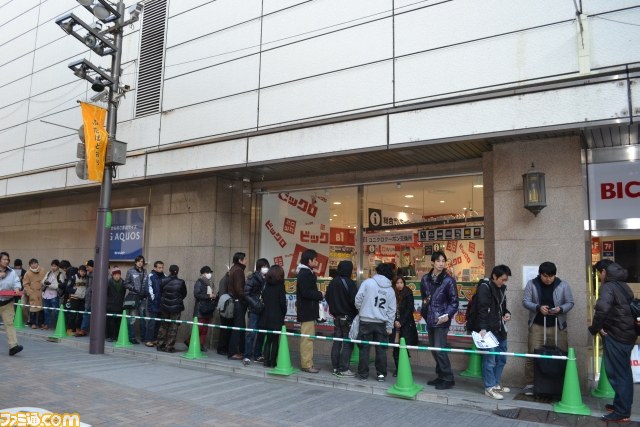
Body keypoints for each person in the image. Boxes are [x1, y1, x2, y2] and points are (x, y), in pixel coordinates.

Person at [589, 260, 636, 423]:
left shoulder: (608, 286)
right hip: (627, 334)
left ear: (604, 271)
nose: (599, 277)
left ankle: (622, 411)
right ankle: (620, 405)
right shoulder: (623, 285)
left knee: (618, 374)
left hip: (617, 336)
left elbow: (602, 310)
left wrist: (595, 328)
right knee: (623, 372)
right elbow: (618, 310)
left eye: (599, 274)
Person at [522, 261, 574, 395]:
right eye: (545, 276)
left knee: (561, 355)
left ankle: (561, 384)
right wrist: (538, 307)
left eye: (551, 276)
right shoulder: (532, 284)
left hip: (558, 325)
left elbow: (570, 302)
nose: (548, 279)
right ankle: (530, 384)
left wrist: (560, 309)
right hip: (537, 325)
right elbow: (525, 301)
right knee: (532, 354)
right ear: (540, 274)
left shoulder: (563, 285)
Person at [420, 251, 459, 389]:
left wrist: (447, 315)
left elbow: (454, 302)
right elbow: (424, 297)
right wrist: (425, 311)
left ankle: (448, 378)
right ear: (433, 262)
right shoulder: (425, 279)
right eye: (438, 261)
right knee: (434, 349)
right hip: (430, 318)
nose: (441, 264)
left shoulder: (449, 280)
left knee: (439, 349)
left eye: (443, 261)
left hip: (442, 320)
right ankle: (441, 376)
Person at [355, 262, 397, 382]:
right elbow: (392, 310)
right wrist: (389, 326)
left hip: (365, 321)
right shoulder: (390, 290)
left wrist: (362, 309)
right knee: (381, 349)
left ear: (378, 271)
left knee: (364, 348)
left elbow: (358, 299)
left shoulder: (368, 283)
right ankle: (381, 375)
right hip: (381, 323)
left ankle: (363, 374)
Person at [477, 264, 512, 400]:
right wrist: (483, 329)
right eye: (502, 279)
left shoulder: (502, 288)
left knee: (501, 358)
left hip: (500, 328)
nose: (504, 282)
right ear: (494, 276)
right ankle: (489, 387)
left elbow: (503, 307)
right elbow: (482, 309)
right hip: (488, 330)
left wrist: (507, 313)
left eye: (506, 280)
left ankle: (496, 384)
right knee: (490, 359)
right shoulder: (485, 287)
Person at [325, 260, 357, 377]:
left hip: (336, 317)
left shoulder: (333, 282)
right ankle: (343, 369)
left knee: (337, 342)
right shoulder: (350, 283)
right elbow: (355, 301)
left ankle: (335, 367)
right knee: (347, 343)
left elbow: (327, 297)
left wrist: (335, 309)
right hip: (347, 317)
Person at [296, 249, 324, 373]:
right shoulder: (305, 273)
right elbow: (306, 292)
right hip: (307, 310)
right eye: (315, 260)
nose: (316, 262)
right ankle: (307, 365)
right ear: (309, 260)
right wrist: (320, 294)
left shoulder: (306, 272)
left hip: (307, 310)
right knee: (307, 338)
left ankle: (309, 363)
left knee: (308, 337)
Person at [260, 265, 287, 368]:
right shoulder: (280, 286)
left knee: (268, 339)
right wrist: (283, 313)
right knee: (275, 340)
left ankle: (266, 361)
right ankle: (272, 362)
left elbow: (263, 298)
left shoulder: (266, 284)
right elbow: (283, 303)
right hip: (277, 316)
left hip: (266, 316)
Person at [243, 258, 270, 365]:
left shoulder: (268, 278)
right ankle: (247, 355)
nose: (266, 268)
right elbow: (246, 293)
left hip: (264, 309)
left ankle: (257, 355)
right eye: (264, 266)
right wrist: (255, 303)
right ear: (259, 267)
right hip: (254, 309)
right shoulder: (252, 278)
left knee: (261, 333)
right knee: (251, 333)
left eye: (267, 266)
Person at [392, 276, 419, 377]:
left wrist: (401, 322)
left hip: (406, 325)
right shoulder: (392, 293)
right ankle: (398, 368)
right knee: (395, 346)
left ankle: (404, 368)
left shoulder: (408, 293)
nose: (399, 285)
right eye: (397, 283)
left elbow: (409, 310)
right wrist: (395, 321)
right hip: (395, 324)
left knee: (403, 347)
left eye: (401, 283)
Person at [156, 265, 187, 353]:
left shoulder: (163, 280)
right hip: (176, 308)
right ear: (178, 271)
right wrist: (177, 299)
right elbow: (184, 294)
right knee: (174, 327)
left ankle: (160, 345)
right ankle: (169, 346)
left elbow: (160, 292)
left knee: (163, 326)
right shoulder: (181, 282)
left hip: (164, 307)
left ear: (169, 271)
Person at [187, 266, 216, 352]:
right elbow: (197, 294)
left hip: (208, 308)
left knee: (205, 329)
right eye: (208, 272)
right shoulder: (199, 282)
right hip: (201, 308)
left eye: (210, 272)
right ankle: (189, 342)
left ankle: (200, 345)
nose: (209, 274)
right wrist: (208, 296)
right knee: (199, 328)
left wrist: (213, 296)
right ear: (203, 273)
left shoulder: (210, 283)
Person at [0, 252, 24, 355]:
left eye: (7, 259)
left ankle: (13, 346)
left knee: (9, 323)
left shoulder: (12, 272)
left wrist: (17, 288)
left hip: (7, 302)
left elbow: (16, 282)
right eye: (4, 259)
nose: (6, 261)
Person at [227, 252, 248, 360]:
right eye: (245, 259)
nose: (246, 261)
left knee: (239, 327)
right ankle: (233, 352)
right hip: (238, 302)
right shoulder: (238, 271)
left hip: (235, 301)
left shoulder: (234, 269)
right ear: (240, 260)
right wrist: (245, 300)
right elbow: (239, 289)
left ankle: (239, 350)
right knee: (238, 328)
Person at [124, 255, 148, 344]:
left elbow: (146, 283)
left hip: (143, 298)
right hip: (134, 297)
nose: (140, 263)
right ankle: (132, 337)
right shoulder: (130, 271)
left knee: (143, 319)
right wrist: (133, 288)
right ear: (135, 262)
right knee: (132, 319)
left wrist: (146, 293)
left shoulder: (145, 271)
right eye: (139, 261)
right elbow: (126, 283)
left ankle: (144, 337)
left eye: (142, 261)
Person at [145, 261, 165, 347]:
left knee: (158, 323)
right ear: (155, 268)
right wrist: (154, 299)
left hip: (162, 304)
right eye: (159, 267)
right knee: (152, 323)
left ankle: (155, 339)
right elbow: (148, 289)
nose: (161, 269)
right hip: (153, 303)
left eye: (162, 267)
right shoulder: (151, 276)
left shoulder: (165, 276)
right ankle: (148, 340)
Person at [41, 259, 65, 330]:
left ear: (58, 266)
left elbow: (60, 285)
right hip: (46, 294)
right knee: (46, 311)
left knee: (55, 311)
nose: (53, 267)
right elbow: (42, 281)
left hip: (54, 294)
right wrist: (45, 283)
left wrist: (50, 285)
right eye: (52, 266)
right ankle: (47, 324)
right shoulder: (49, 273)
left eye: (55, 266)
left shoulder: (60, 274)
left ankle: (58, 325)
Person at [22, 258, 45, 329]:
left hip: (41, 292)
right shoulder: (27, 273)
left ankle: (41, 323)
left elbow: (45, 280)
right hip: (33, 292)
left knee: (41, 308)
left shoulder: (42, 270)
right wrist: (30, 292)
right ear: (30, 265)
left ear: (37, 263)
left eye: (35, 263)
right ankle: (33, 323)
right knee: (33, 308)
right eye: (32, 264)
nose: (34, 265)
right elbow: (25, 284)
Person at [67, 265, 88, 336]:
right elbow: (68, 288)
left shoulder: (86, 278)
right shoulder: (73, 277)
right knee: (73, 315)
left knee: (81, 315)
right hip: (74, 298)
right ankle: (70, 329)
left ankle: (77, 329)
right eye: (82, 271)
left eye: (84, 271)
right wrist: (75, 291)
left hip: (82, 299)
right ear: (78, 271)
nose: (83, 273)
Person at [106, 268, 126, 342]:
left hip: (119, 306)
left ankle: (117, 336)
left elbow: (123, 294)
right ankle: (110, 336)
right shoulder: (108, 282)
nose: (117, 276)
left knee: (118, 322)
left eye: (118, 275)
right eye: (115, 275)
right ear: (112, 275)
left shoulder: (123, 283)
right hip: (110, 305)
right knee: (110, 322)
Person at [77, 259, 94, 337]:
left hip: (95, 300)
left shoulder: (98, 275)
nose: (86, 269)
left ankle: (95, 331)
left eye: (88, 267)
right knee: (86, 314)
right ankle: (83, 330)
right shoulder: (89, 275)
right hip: (88, 299)